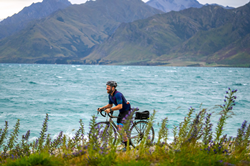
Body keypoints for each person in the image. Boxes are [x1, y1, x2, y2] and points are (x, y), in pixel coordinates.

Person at [97, 81, 131, 151]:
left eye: (108, 87)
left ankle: (127, 146)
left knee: (120, 128)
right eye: (106, 87)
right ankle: (125, 141)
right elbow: (110, 105)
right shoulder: (110, 95)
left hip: (126, 111)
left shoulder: (118, 94)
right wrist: (102, 108)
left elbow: (120, 106)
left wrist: (110, 109)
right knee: (118, 128)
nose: (107, 88)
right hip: (121, 111)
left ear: (113, 88)